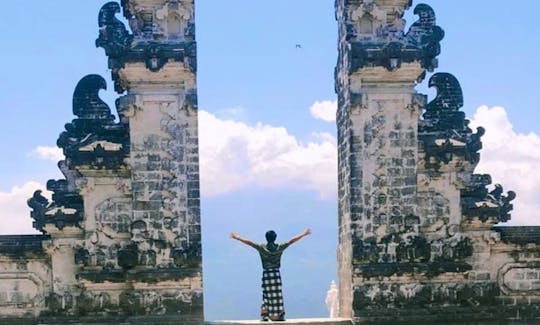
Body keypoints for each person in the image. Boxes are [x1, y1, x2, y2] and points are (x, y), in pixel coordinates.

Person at [230, 229, 311, 321]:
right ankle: (280, 314)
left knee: (266, 294)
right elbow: (291, 241)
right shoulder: (279, 247)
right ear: (275, 238)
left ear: (266, 238)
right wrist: (304, 234)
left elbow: (250, 243)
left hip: (267, 274)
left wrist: (237, 238)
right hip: (276, 274)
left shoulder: (262, 248)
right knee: (277, 294)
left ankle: (265, 314)